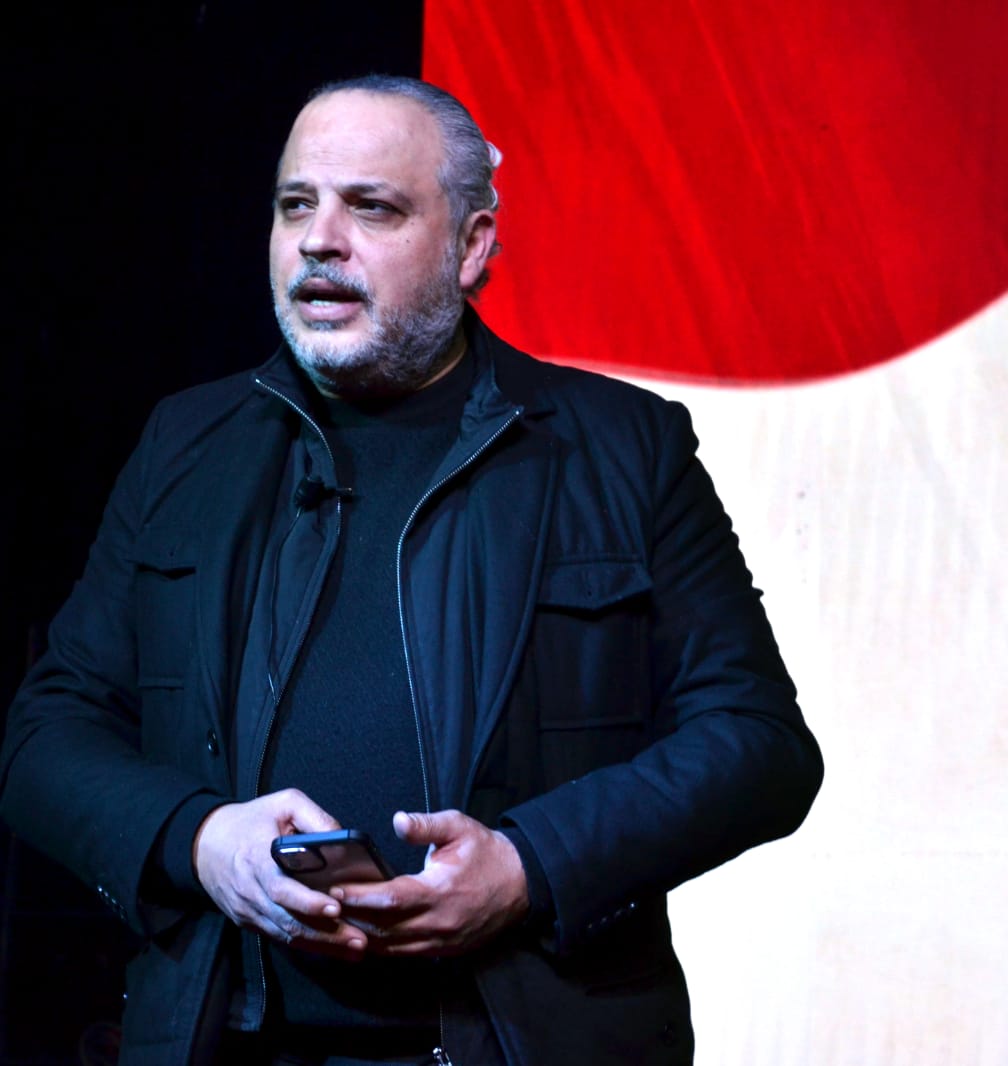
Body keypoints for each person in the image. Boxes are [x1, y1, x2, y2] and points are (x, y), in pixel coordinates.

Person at [0, 74, 822, 1065]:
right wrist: (200, 840)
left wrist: (529, 865)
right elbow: (47, 734)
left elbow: (758, 745)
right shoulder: (186, 443)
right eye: (295, 204)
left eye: (372, 207)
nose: (319, 240)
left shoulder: (622, 447)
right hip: (232, 1042)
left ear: (471, 246)